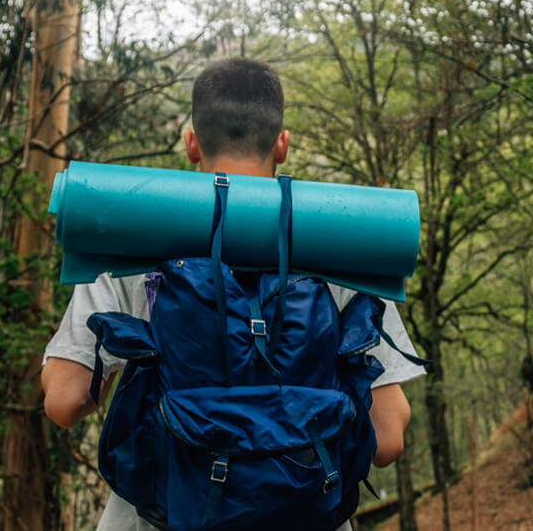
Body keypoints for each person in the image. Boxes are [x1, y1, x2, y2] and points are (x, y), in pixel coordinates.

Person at [41, 58, 426, 531]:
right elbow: (387, 439)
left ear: (191, 144)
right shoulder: (341, 242)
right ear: (281, 145)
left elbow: (64, 400)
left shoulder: (134, 234)